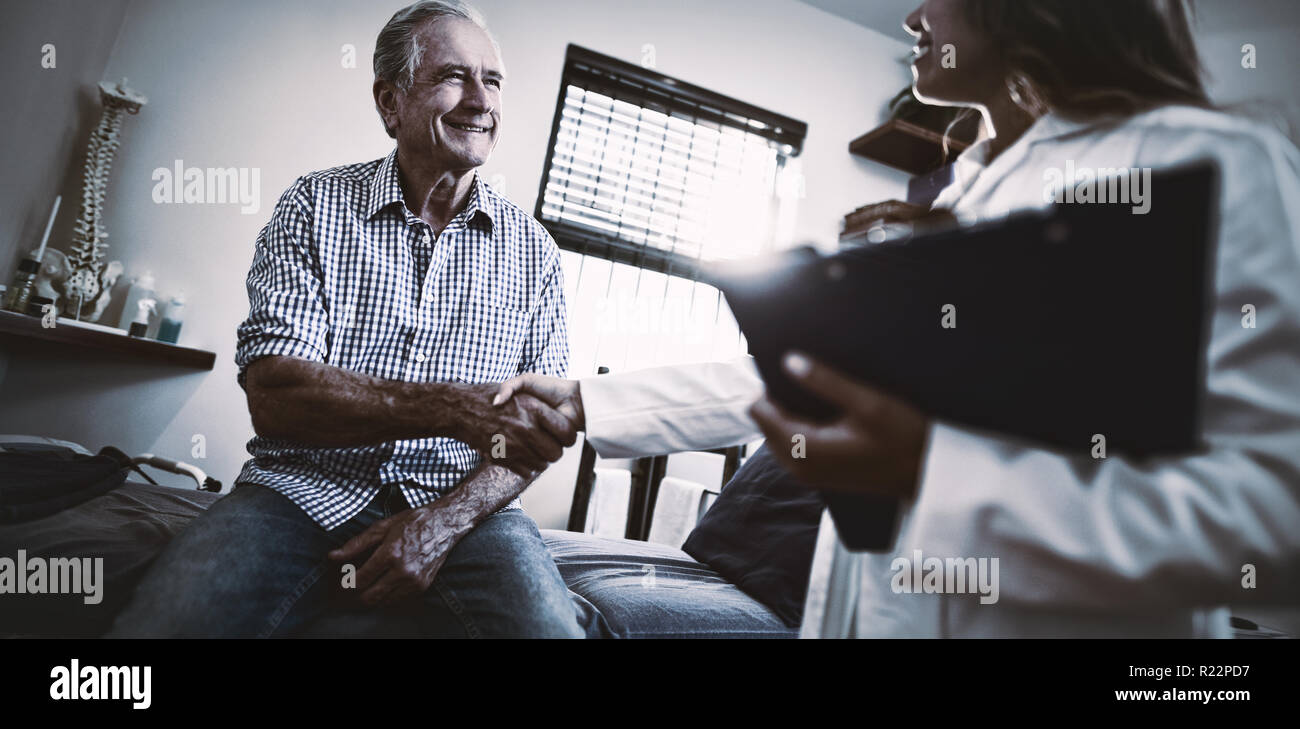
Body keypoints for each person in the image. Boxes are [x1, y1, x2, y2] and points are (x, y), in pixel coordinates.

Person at [494, 0, 1300, 637]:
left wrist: (930, 471)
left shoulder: (1208, 166)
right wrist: (588, 401)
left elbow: (1275, 514)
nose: (912, 18)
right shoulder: (963, 196)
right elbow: (817, 379)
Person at [110, 1, 584, 638]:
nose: (480, 100)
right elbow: (277, 396)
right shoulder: (314, 205)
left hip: (467, 515)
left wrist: (441, 522)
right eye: (452, 76)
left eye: (492, 80)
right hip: (297, 491)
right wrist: (458, 408)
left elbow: (534, 437)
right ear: (391, 102)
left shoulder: (537, 254)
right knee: (166, 626)